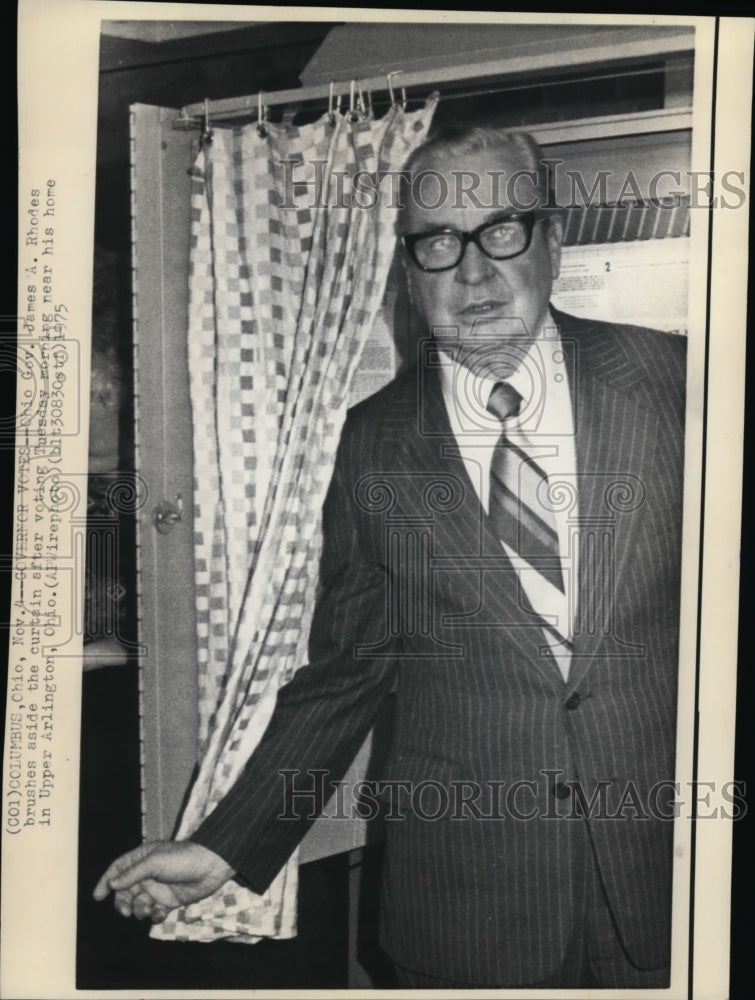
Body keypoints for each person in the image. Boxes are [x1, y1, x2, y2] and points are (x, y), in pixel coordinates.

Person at [94, 125, 686, 989]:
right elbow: (346, 671)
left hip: (673, 872)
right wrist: (224, 847)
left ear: (552, 242)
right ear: (409, 273)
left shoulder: (678, 383)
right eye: (438, 244)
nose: (472, 272)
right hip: (472, 904)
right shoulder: (371, 444)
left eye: (501, 231)